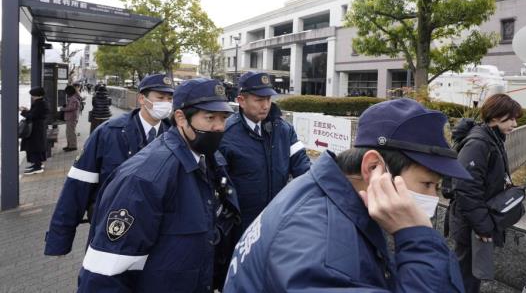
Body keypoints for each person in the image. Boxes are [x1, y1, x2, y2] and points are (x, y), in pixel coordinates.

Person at [223, 98, 471, 292]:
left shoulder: (316, 191)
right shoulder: (321, 253)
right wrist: (420, 239)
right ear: (373, 167)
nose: (433, 198)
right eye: (427, 184)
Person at [78, 78, 240, 292]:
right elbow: (105, 272)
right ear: (181, 118)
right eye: (210, 118)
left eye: (224, 118)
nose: (219, 127)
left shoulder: (209, 160)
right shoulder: (146, 178)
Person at [44, 74, 174, 256]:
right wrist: (59, 240)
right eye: (160, 98)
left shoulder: (174, 137)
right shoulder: (108, 133)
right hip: (111, 229)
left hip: (157, 235)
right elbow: (77, 187)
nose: (166, 103)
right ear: (141, 99)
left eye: (169, 98)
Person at [219, 71, 311, 235]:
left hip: (277, 222)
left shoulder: (284, 130)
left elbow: (304, 169)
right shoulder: (226, 135)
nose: (266, 105)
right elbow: (219, 185)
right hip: (240, 227)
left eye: (268, 99)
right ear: (241, 101)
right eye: (259, 100)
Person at [448, 93, 522, 293]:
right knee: (466, 275)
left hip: (476, 220)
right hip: (471, 223)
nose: (515, 124)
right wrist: (483, 227)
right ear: (496, 117)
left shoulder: (493, 138)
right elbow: (465, 187)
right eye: (512, 118)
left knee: (472, 272)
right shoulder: (479, 143)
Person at [21, 87, 50, 175]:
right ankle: (37, 164)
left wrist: (23, 112)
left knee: (34, 147)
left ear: (37, 95)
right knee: (36, 146)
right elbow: (35, 114)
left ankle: (37, 166)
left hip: (35, 129)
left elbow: (32, 116)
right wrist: (27, 110)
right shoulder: (42, 102)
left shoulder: (40, 103)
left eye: (33, 95)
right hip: (38, 128)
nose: (32, 97)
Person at [61, 85, 81, 151]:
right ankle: (69, 145)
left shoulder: (73, 99)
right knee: (68, 132)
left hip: (72, 118)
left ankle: (73, 146)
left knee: (71, 132)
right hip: (70, 117)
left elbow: (71, 108)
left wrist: (63, 109)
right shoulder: (73, 98)